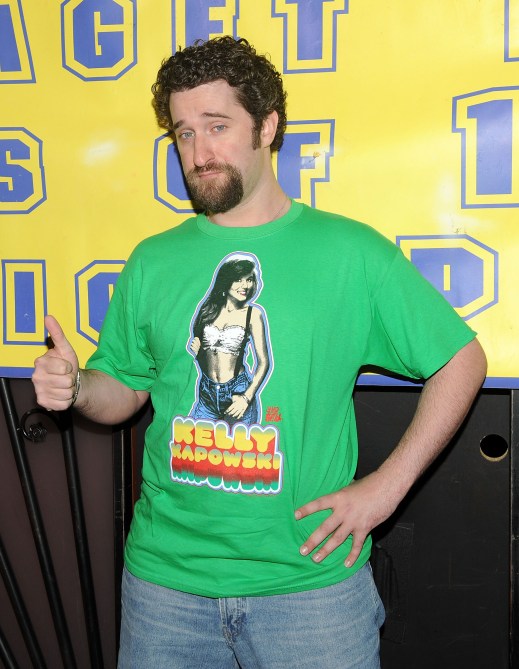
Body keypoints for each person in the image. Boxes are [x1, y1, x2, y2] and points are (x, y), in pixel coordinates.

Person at [32, 36, 487, 668]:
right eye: (184, 133)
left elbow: (461, 359)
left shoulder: (349, 253)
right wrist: (79, 387)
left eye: (217, 126)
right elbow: (125, 388)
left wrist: (387, 487)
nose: (199, 152)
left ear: (267, 127)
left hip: (310, 591)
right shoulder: (153, 260)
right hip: (166, 589)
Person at [188, 252, 272, 426]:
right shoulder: (208, 310)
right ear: (226, 282)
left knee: (241, 444)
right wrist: (198, 354)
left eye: (249, 280)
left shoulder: (252, 314)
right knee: (195, 441)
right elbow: (206, 355)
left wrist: (246, 398)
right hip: (207, 393)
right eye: (238, 280)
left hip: (238, 392)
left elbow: (264, 362)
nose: (245, 285)